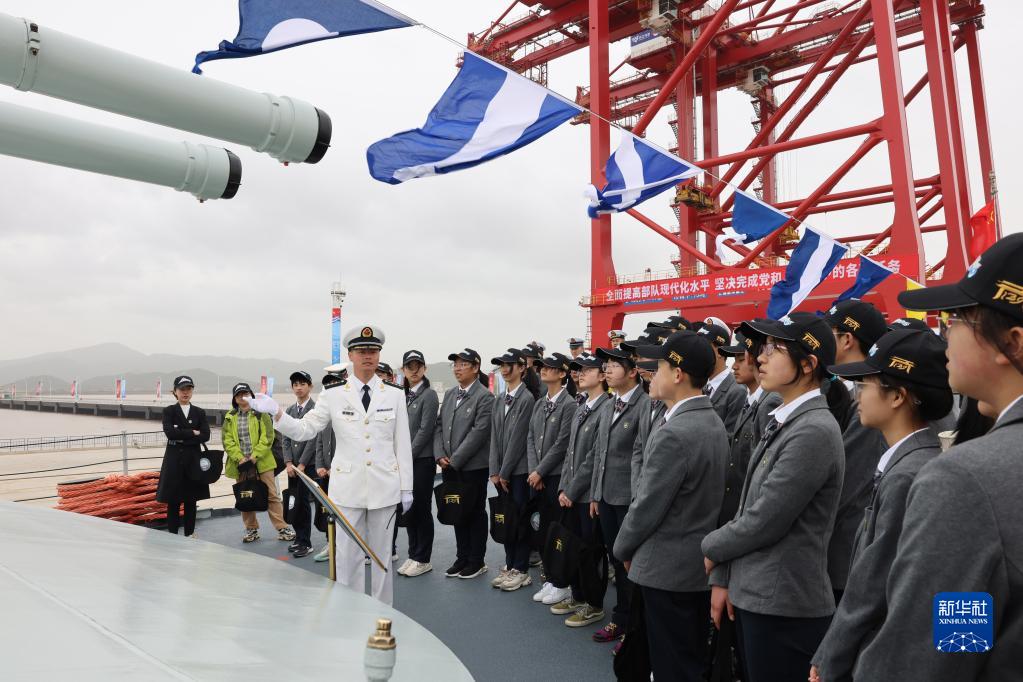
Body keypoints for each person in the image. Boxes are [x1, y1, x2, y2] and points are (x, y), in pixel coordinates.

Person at [853, 234, 1023, 680]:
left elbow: (940, 652)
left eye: (957, 319)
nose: (944, 335)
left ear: (1013, 342)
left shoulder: (968, 479)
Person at [702, 313, 846, 682]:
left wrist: (710, 546)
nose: (760, 357)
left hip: (784, 603)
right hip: (760, 593)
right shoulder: (786, 418)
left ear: (808, 364)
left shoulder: (813, 430)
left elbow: (765, 518)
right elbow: (748, 505)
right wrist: (724, 574)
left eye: (774, 349)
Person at [810, 328, 951, 682]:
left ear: (898, 396)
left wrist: (829, 657)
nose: (857, 396)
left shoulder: (907, 475)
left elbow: (871, 588)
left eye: (865, 385)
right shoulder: (914, 459)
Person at [244, 326, 413, 606]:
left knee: (382, 558)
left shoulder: (394, 394)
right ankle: (351, 613)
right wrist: (277, 412)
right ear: (351, 355)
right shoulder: (333, 394)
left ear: (379, 354)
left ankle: (383, 614)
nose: (368, 356)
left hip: (384, 487)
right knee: (348, 558)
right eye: (361, 351)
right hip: (347, 489)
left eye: (373, 351)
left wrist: (406, 488)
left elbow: (402, 445)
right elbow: (305, 429)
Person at [615, 331, 727, 682]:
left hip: (667, 569)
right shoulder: (710, 421)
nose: (650, 373)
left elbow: (648, 505)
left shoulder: (675, 432)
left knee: (671, 666)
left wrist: (622, 548)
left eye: (659, 367)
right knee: (686, 658)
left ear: (678, 374)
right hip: (693, 566)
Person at [707, 329, 781, 682]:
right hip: (736, 520)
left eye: (743, 358)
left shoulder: (770, 405)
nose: (738, 365)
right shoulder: (753, 401)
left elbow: (761, 491)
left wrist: (719, 545)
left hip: (747, 530)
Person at [823, 299, 888, 604]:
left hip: (844, 555)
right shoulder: (841, 392)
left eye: (829, 332)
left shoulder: (869, 404)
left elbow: (843, 483)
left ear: (847, 339)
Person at [588, 346, 650, 640]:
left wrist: (637, 501)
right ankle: (623, 618)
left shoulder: (644, 404)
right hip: (606, 497)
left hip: (628, 498)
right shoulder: (609, 404)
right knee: (616, 560)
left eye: (614, 365)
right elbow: (599, 453)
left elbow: (642, 456)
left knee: (630, 564)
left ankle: (630, 625)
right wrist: (595, 493)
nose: (607, 370)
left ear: (633, 371)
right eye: (607, 365)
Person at [553, 352, 611, 626]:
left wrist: (572, 490)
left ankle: (594, 603)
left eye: (587, 369)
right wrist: (563, 487)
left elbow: (594, 458)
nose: (581, 373)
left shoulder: (605, 408)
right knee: (573, 547)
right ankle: (577, 596)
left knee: (590, 551)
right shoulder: (582, 405)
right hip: (572, 493)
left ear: (602, 375)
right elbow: (570, 453)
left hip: (587, 495)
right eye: (579, 369)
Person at [436, 348, 495, 580]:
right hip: (449, 465)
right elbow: (439, 426)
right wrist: (440, 454)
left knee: (474, 512)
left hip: (472, 467)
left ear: (475, 367)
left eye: (463, 364)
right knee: (456, 511)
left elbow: (479, 432)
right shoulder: (451, 394)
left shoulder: (485, 397)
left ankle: (476, 560)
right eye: (456, 365)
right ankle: (462, 557)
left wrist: (456, 460)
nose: (458, 369)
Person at [527, 353, 577, 605]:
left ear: (562, 373)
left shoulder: (569, 404)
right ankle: (549, 577)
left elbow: (562, 444)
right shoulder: (539, 403)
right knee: (543, 530)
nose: (543, 370)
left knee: (559, 532)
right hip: (538, 477)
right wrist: (533, 471)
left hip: (555, 477)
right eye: (542, 367)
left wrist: (540, 471)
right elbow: (530, 437)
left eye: (549, 367)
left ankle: (562, 582)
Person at [488, 349, 537, 592]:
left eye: (510, 365)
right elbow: (494, 436)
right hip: (502, 473)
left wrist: (504, 472)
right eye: (502, 365)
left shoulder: (527, 399)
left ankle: (521, 568)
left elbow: (519, 439)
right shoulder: (499, 398)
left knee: (520, 519)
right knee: (507, 519)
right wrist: (494, 471)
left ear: (521, 368)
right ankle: (509, 564)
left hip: (518, 472)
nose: (505, 369)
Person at [224, 382, 295, 545]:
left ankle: (282, 527)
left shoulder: (261, 413)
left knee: (271, 494)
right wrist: (239, 457)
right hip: (241, 464)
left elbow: (268, 437)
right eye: (239, 395)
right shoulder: (230, 416)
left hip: (263, 462)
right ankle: (251, 529)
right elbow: (227, 440)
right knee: (245, 495)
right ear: (234, 398)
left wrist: (255, 456)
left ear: (251, 396)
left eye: (245, 394)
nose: (242, 397)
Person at [397, 350, 439, 578]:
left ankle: (423, 558)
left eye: (418, 366)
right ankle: (413, 554)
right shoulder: (403, 396)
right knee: (409, 507)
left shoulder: (429, 395)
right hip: (406, 461)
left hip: (421, 460)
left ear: (424, 368)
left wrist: (405, 456)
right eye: (409, 367)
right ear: (403, 370)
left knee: (421, 508)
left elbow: (425, 430)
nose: (414, 371)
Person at [156, 375, 210, 538]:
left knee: (191, 500)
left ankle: (190, 533)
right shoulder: (169, 411)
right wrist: (193, 433)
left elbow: (206, 435)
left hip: (193, 460)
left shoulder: (199, 412)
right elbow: (170, 433)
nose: (185, 392)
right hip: (174, 461)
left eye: (189, 389)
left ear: (192, 391)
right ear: (175, 391)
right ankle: (172, 535)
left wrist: (182, 435)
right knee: (173, 500)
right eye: (182, 389)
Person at [282, 371, 317, 558]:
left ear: (310, 386)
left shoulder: (315, 409)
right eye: (295, 384)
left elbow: (313, 440)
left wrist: (302, 464)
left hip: (308, 465)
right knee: (293, 501)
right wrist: (288, 462)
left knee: (304, 502)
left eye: (303, 384)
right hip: (292, 467)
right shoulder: (289, 410)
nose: (299, 388)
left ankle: (306, 542)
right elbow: (285, 438)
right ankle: (298, 537)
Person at [312, 369, 345, 563]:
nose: (331, 387)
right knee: (327, 510)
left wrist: (337, 467)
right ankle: (330, 542)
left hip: (343, 473)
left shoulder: (348, 409)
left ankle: (343, 545)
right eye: (328, 385)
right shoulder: (323, 412)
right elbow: (319, 442)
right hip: (325, 472)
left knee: (344, 511)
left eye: (335, 383)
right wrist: (319, 465)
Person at [698, 323, 748, 434]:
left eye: (703, 347)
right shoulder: (700, 385)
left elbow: (730, 437)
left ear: (720, 352)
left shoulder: (737, 391)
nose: (697, 353)